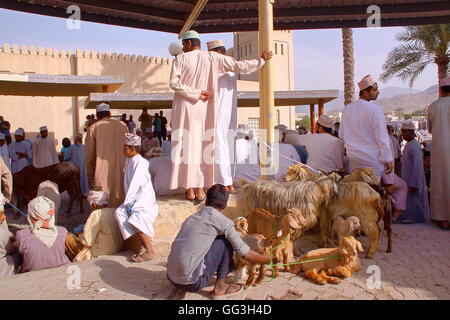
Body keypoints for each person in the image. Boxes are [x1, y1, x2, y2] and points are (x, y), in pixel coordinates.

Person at [170, 31, 272, 201]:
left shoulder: (180, 59)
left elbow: (174, 83)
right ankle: (202, 189)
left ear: (187, 44)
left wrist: (195, 92)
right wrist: (261, 60)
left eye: (183, 45)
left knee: (188, 146)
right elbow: (241, 66)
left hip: (186, 107)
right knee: (204, 148)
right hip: (206, 109)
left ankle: (190, 189)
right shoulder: (213, 58)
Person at [167, 184, 271, 300]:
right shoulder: (224, 222)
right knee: (224, 242)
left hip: (171, 276)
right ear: (225, 205)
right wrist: (268, 259)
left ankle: (180, 287)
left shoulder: (191, 218)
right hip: (192, 283)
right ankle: (220, 287)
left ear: (206, 201)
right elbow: (245, 253)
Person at [339, 74, 393, 180]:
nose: (378, 92)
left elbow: (341, 135)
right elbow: (382, 138)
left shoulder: (347, 109)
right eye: (375, 90)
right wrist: (387, 159)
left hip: (354, 161)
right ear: (365, 92)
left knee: (357, 194)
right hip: (372, 162)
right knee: (371, 194)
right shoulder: (375, 110)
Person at [115, 133, 158, 263]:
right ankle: (142, 246)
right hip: (133, 197)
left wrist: (128, 200)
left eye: (125, 148)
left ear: (132, 149)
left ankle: (150, 250)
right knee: (120, 213)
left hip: (143, 198)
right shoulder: (129, 161)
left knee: (136, 218)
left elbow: (135, 183)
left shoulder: (141, 162)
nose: (123, 150)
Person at [10, 196, 70, 273]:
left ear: (31, 215)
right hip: (61, 272)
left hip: (29, 273)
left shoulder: (22, 235)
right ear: (51, 215)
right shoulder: (62, 232)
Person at [85, 103, 129, 207]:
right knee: (121, 201)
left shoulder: (93, 127)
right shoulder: (122, 125)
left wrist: (90, 174)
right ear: (110, 114)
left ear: (97, 115)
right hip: (122, 169)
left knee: (103, 203)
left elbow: (89, 155)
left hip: (102, 171)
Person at [65, 191, 124, 262]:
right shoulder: (114, 211)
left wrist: (79, 236)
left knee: (67, 238)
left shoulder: (96, 214)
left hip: (99, 253)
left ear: (94, 205)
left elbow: (87, 241)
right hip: (117, 249)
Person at [426, 75, 450, 229]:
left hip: (440, 150)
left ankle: (442, 219)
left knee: (440, 182)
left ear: (441, 90)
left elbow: (429, 128)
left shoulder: (433, 106)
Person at [396, 121, 430, 224]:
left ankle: (417, 218)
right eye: (402, 131)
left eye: (405, 131)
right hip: (408, 178)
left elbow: (417, 167)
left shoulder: (414, 146)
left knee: (415, 200)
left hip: (413, 179)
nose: (403, 134)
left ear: (411, 132)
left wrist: (414, 183)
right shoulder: (409, 145)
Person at [0, 194, 18, 278]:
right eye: (1, 214)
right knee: (12, 257)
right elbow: (11, 249)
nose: (4, 217)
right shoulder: (2, 233)